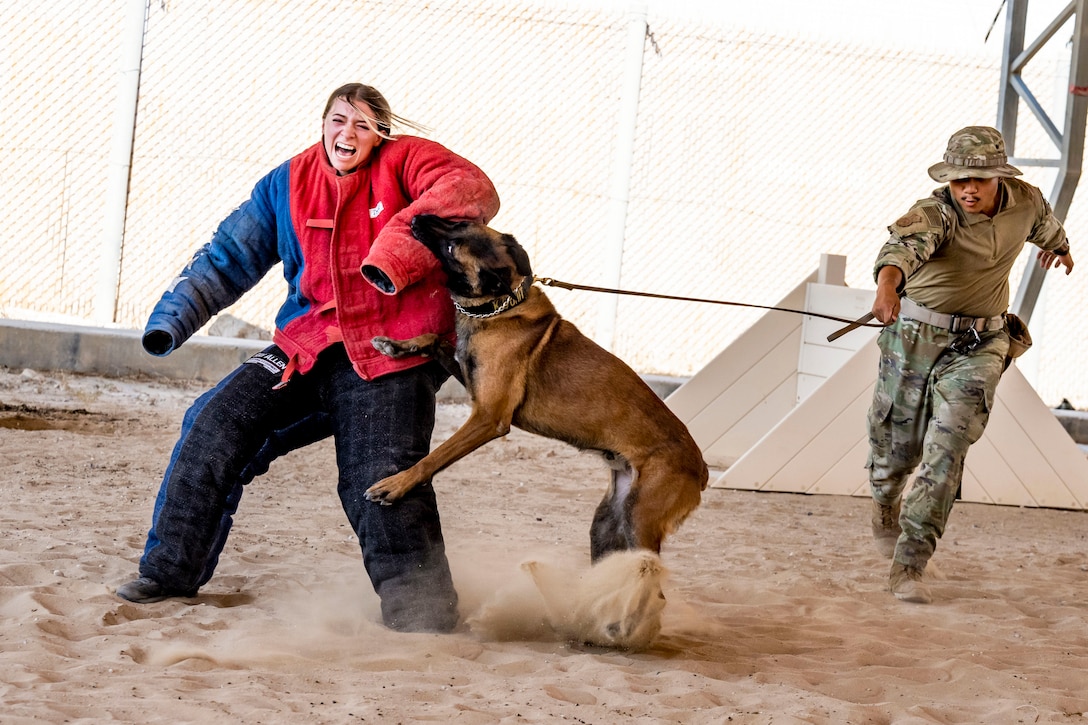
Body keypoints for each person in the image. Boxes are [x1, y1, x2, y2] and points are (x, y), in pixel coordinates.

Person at [115, 83, 501, 633]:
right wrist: (170, 322)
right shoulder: (286, 183)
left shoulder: (409, 160)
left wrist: (393, 253)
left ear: (381, 135)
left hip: (392, 352)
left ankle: (424, 613)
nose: (349, 133)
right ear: (323, 124)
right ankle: (169, 573)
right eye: (340, 120)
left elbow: (470, 189)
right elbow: (227, 258)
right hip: (304, 347)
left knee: (377, 476)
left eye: (365, 125)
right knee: (212, 423)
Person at [866, 126, 1074, 604]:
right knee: (894, 456)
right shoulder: (936, 213)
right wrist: (886, 287)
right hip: (914, 339)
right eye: (960, 180)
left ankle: (910, 563)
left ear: (999, 177)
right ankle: (884, 503)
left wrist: (1059, 249)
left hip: (981, 342)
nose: (969, 189)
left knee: (947, 448)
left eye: (979, 179)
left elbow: (1045, 225)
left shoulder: (1026, 201)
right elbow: (899, 252)